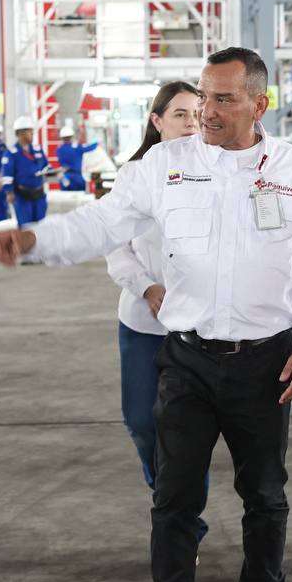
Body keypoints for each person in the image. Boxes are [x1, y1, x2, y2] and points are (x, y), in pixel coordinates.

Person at [0, 47, 292, 582]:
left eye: (224, 99)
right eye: (204, 96)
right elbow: (102, 223)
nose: (207, 110)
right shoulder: (165, 165)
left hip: (267, 364)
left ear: (259, 105)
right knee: (174, 503)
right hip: (187, 361)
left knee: (265, 498)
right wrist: (34, 240)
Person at [103, 81, 200, 487]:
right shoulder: (133, 176)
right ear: (157, 121)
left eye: (197, 114)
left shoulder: (214, 174)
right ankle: (164, 493)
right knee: (142, 421)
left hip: (197, 325)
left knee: (187, 428)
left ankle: (182, 513)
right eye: (180, 114)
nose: (191, 123)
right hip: (143, 324)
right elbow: (115, 247)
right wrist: (147, 287)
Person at [0, 117, 50, 227]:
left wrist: (52, 171)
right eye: (29, 131)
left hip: (39, 195)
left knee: (41, 227)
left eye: (32, 131)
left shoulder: (37, 149)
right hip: (22, 197)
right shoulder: (11, 153)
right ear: (20, 134)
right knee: (26, 228)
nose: (32, 134)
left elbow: (46, 166)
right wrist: (9, 192)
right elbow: (7, 175)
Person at [56, 123, 88, 192]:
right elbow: (90, 148)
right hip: (78, 177)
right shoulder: (78, 148)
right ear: (72, 137)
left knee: (66, 197)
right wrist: (97, 143)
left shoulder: (59, 150)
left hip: (65, 177)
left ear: (62, 138)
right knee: (81, 196)